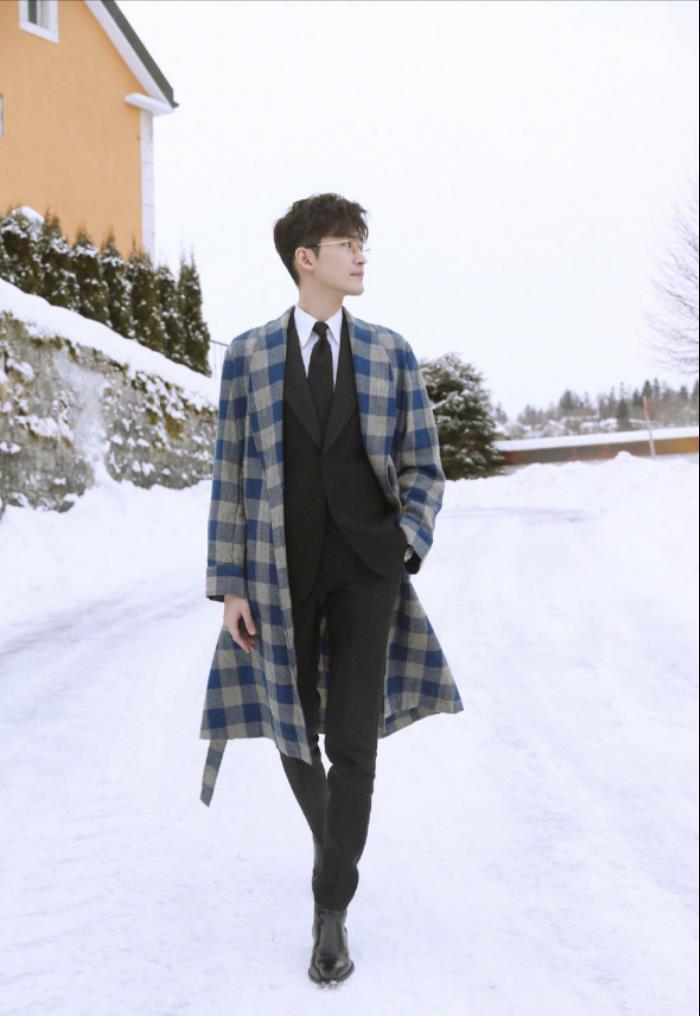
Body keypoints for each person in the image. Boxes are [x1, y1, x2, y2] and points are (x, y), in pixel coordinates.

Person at [201, 192, 463, 985]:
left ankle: (331, 909)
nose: (360, 255)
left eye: (361, 243)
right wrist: (231, 583)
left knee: (353, 739)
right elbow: (230, 475)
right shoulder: (249, 355)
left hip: (367, 572)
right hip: (277, 570)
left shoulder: (389, 352)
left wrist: (406, 542)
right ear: (305, 258)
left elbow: (424, 465)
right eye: (345, 243)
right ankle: (334, 844)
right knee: (294, 727)